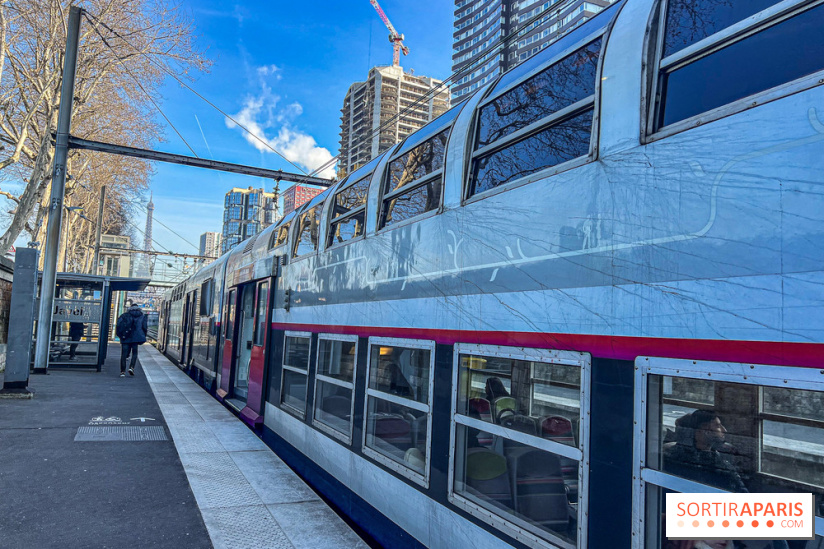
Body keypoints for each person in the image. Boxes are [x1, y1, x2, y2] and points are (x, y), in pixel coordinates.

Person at [664, 409, 746, 493]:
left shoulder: (719, 455)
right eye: (717, 426)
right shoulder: (685, 460)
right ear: (701, 431)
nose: (724, 430)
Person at [116, 303, 147, 377]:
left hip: (125, 337)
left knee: (123, 354)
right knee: (134, 353)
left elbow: (119, 325)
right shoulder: (142, 316)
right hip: (136, 338)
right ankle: (131, 367)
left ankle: (122, 371)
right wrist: (142, 336)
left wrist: (120, 335)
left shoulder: (124, 315)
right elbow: (144, 327)